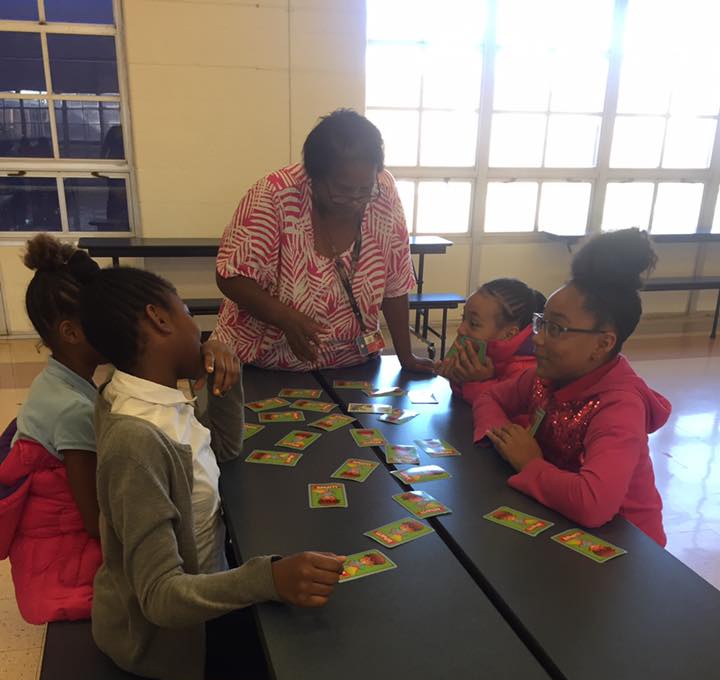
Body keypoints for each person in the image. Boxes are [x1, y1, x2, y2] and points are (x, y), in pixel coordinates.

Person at [78, 265, 345, 680]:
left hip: (208, 573)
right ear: (159, 319)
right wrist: (266, 578)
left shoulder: (145, 396)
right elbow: (160, 598)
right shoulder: (136, 440)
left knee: (305, 578)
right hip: (168, 633)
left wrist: (229, 375)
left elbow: (223, 447)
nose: (194, 322)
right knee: (322, 644)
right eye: (184, 309)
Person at [472, 229, 670, 546]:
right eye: (542, 322)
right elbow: (490, 398)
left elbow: (593, 505)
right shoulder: (545, 376)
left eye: (556, 328)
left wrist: (530, 464)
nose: (537, 337)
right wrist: (503, 438)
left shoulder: (619, 408)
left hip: (624, 549)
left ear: (602, 343)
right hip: (560, 520)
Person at [214, 109, 433, 373]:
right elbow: (231, 276)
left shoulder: (383, 190)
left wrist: (406, 356)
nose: (354, 201)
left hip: (353, 363)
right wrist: (285, 318)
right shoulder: (274, 195)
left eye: (364, 190)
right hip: (265, 362)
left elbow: (395, 281)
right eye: (341, 191)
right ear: (314, 178)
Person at [0, 235, 103, 624]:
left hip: (44, 558)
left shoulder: (58, 381)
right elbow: (94, 523)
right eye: (106, 319)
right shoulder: (73, 411)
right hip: (65, 575)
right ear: (71, 332)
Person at [435, 279, 544, 416]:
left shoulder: (526, 371)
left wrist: (477, 382)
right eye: (464, 318)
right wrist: (458, 377)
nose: (461, 330)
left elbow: (506, 416)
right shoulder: (484, 351)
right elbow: (464, 401)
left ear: (510, 333)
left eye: (474, 323)